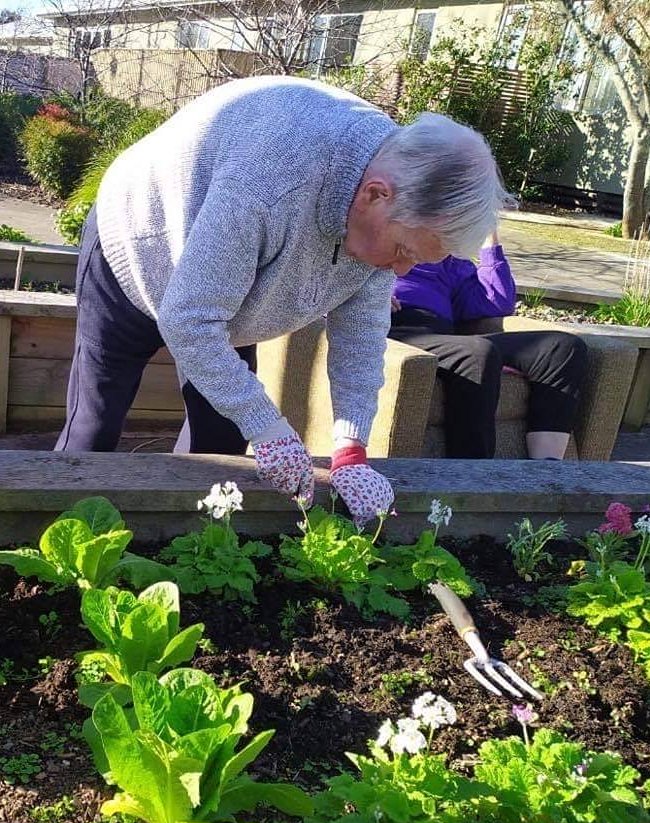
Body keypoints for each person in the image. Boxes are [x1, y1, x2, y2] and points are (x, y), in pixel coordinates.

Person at [56, 75, 511, 526]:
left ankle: (187, 550)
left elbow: (361, 341)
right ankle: (52, 545)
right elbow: (189, 320)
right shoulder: (270, 178)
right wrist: (270, 428)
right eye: (404, 252)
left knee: (222, 447)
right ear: (375, 195)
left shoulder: (389, 203)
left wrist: (351, 447)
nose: (402, 271)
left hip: (227, 288)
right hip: (137, 240)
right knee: (94, 426)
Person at [390, 232, 588, 460]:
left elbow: (498, 301)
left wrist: (487, 236)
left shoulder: (446, 260)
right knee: (477, 353)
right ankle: (472, 483)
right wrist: (370, 295)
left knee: (563, 347)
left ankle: (545, 476)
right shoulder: (381, 242)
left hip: (443, 338)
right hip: (394, 329)